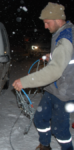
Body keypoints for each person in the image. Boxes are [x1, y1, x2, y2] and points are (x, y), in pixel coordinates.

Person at [12, 2, 74, 150]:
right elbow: (65, 56)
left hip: (63, 93)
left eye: (47, 22)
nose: (45, 26)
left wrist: (24, 81)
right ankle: (45, 146)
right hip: (53, 89)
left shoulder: (66, 38)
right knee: (40, 119)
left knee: (60, 131)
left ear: (58, 19)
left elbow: (54, 71)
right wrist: (51, 56)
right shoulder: (62, 33)